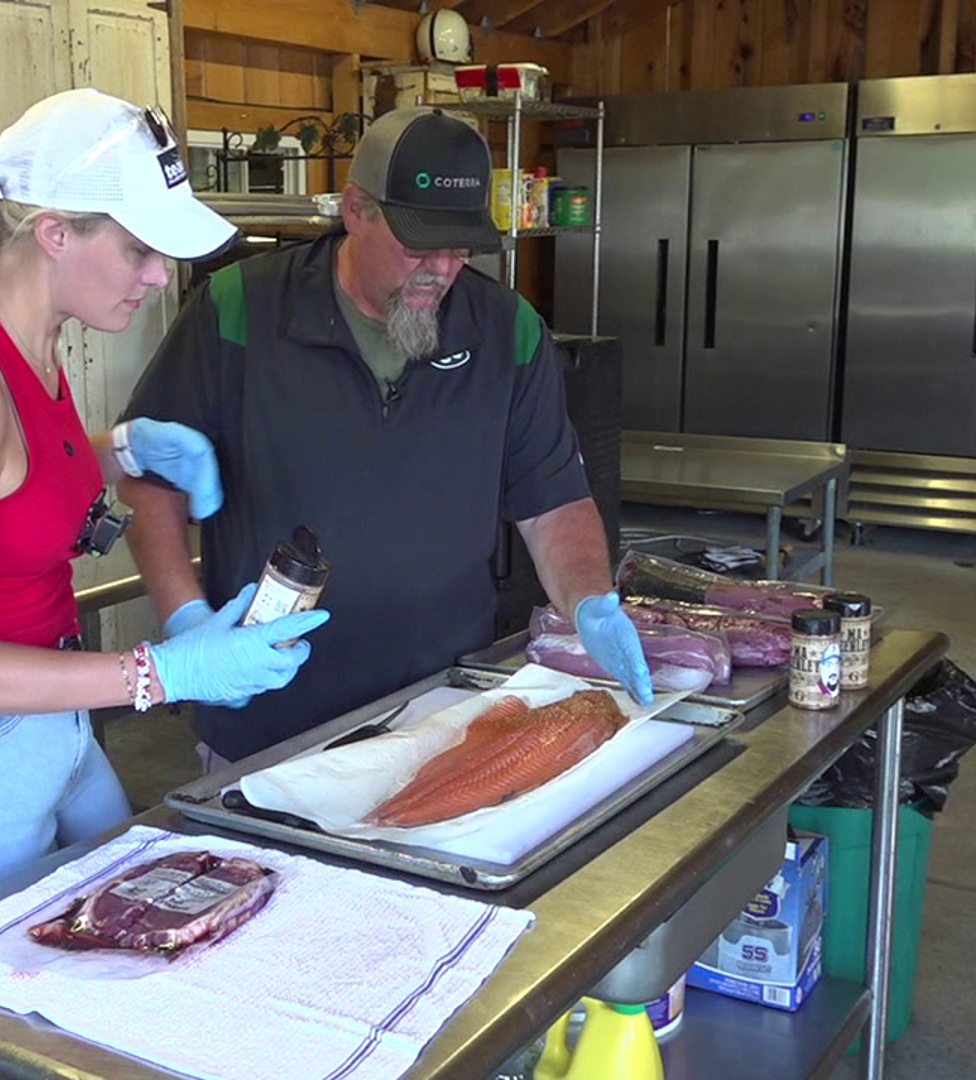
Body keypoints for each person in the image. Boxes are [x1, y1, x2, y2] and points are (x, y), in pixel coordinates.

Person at [0, 88, 331, 925]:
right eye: (140, 249)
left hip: (48, 719)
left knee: (141, 918)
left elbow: (9, 481)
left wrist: (122, 448)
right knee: (0, 1029)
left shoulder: (34, 348)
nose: (158, 276)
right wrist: (160, 672)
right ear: (54, 232)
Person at [118, 106, 651, 770]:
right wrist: (186, 624)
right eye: (418, 243)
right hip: (270, 710)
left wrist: (588, 600)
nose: (442, 268)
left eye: (460, 247)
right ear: (354, 210)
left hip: (445, 709)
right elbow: (149, 482)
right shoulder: (239, 311)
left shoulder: (506, 330)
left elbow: (553, 502)